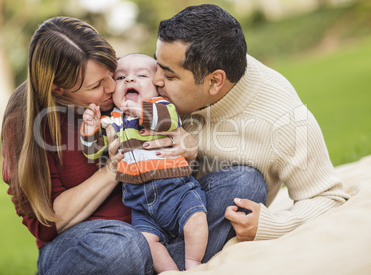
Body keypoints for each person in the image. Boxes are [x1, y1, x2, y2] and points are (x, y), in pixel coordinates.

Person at [147, 4, 350, 243]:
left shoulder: (282, 118)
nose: (155, 79)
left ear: (214, 81)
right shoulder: (149, 84)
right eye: (156, 64)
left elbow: (327, 195)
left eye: (169, 75)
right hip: (142, 202)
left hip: (205, 210)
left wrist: (274, 224)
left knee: (245, 184)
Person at [1, 17, 154, 274]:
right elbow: (47, 222)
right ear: (58, 89)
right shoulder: (25, 121)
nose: (111, 87)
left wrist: (185, 144)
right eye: (96, 85)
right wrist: (113, 169)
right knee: (123, 247)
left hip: (152, 224)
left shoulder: (127, 89)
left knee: (236, 183)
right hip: (88, 242)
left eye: (111, 73)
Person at [80, 53, 208, 272]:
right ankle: (170, 271)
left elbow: (169, 120)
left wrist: (142, 112)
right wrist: (90, 130)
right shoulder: (113, 119)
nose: (130, 80)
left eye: (141, 75)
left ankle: (193, 265)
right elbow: (94, 154)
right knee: (146, 242)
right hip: (139, 203)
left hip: (177, 191)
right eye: (120, 78)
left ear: (157, 85)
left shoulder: (161, 105)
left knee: (196, 220)